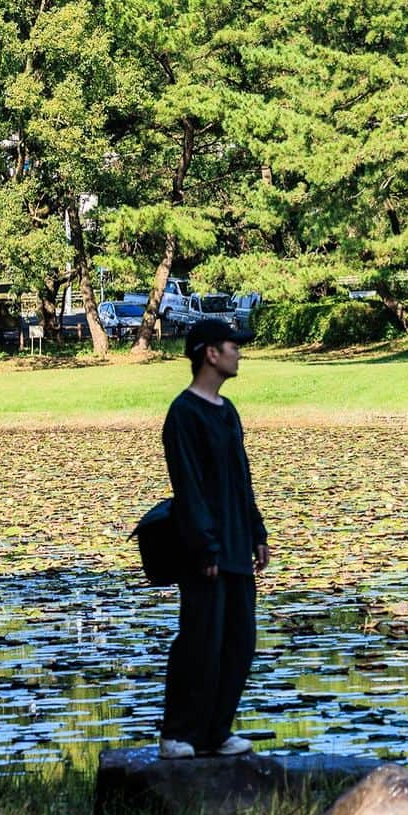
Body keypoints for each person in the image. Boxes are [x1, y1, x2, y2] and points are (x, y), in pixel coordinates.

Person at [158, 318, 271, 759]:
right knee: (200, 640)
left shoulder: (228, 410)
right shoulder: (184, 413)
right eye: (233, 346)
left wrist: (257, 530)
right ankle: (177, 733)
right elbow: (189, 487)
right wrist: (206, 546)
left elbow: (240, 478)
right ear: (210, 353)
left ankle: (215, 732)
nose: (239, 353)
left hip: (237, 544)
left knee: (239, 642)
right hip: (203, 551)